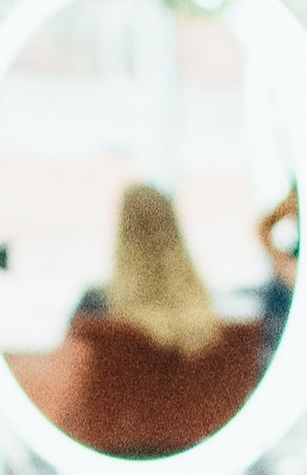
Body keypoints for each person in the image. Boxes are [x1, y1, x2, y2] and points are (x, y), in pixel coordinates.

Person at [18, 182, 263, 458]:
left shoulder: (94, 313)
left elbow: (70, 398)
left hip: (104, 455)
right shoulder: (221, 332)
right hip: (200, 458)